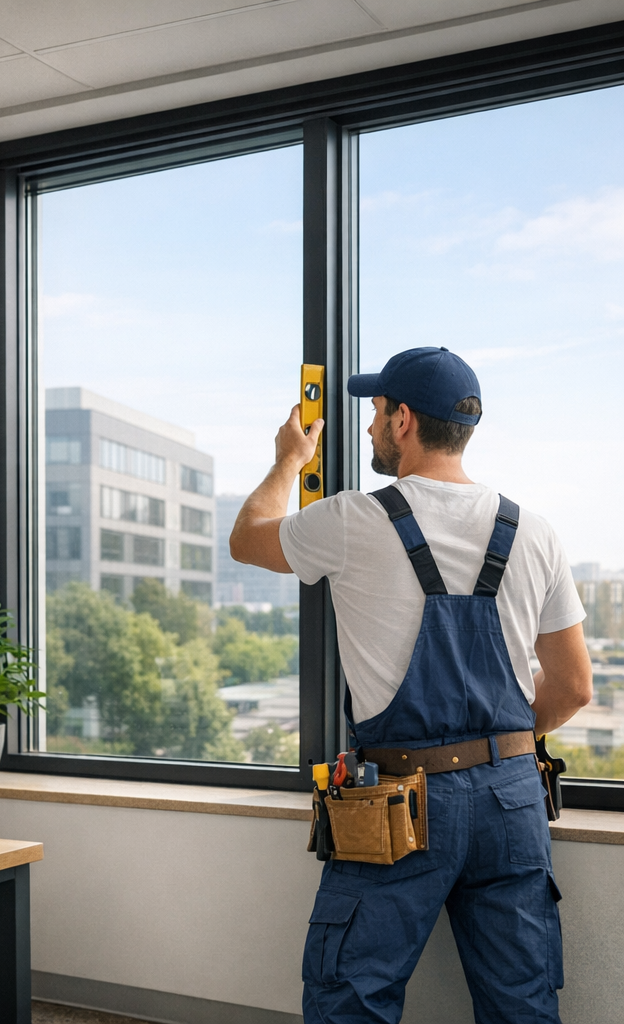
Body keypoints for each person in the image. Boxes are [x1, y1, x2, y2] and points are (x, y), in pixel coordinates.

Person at [230, 346, 592, 1024]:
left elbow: (247, 538)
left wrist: (289, 461)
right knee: (522, 1005)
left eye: (374, 412)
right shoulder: (535, 532)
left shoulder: (350, 518)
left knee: (352, 1000)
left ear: (403, 421)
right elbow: (573, 688)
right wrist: (501, 749)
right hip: (513, 800)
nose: (369, 427)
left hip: (398, 800)